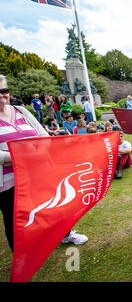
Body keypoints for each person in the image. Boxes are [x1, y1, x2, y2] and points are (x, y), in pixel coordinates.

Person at [0, 75, 87, 251]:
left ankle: (65, 234)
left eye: (4, 91)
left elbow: (43, 136)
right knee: (15, 218)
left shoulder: (21, 111)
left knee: (54, 206)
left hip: (38, 172)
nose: (2, 96)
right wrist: (18, 156)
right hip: (10, 181)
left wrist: (41, 150)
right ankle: (22, 255)